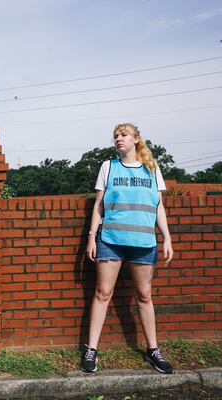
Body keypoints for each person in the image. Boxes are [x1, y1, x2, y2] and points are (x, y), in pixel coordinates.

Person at [82, 123, 174, 374]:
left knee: (144, 295)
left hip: (144, 244)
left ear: (136, 139)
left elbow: (158, 207)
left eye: (123, 135)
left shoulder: (152, 168)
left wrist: (166, 238)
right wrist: (92, 236)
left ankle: (153, 350)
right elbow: (99, 206)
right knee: (102, 293)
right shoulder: (108, 167)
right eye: (115, 136)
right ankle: (91, 350)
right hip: (110, 240)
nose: (118, 139)